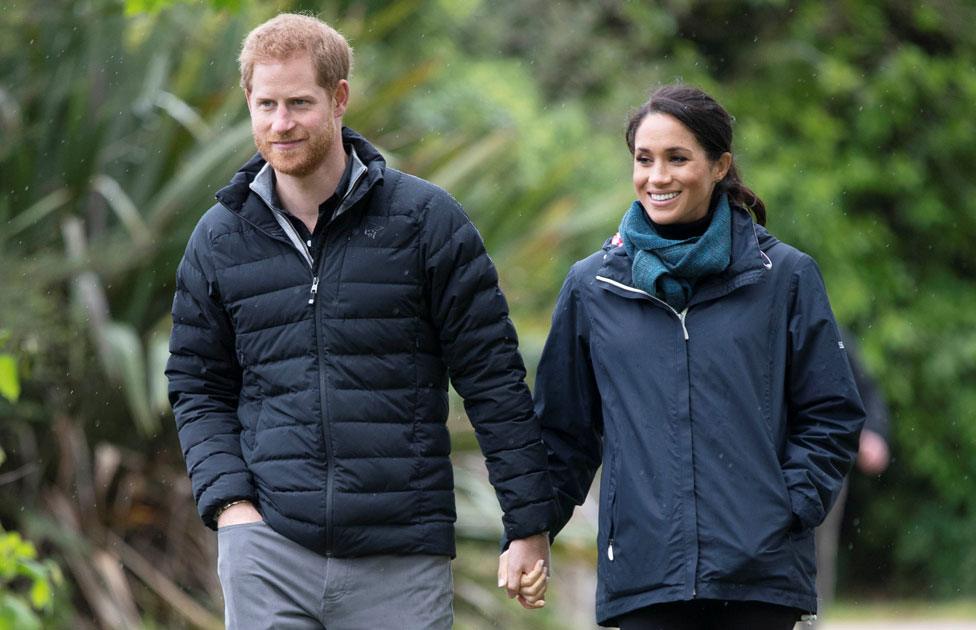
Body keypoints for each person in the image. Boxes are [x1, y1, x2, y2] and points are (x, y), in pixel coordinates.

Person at [165, 13, 551, 629]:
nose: (280, 124)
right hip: (268, 547)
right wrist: (232, 506)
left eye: (299, 103)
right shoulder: (220, 239)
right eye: (265, 104)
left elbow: (493, 380)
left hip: (401, 554)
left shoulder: (425, 222)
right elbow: (196, 385)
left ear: (340, 97)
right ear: (248, 100)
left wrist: (529, 525)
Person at [509, 85, 867, 628]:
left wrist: (786, 508)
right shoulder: (593, 287)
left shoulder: (786, 278)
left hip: (760, 579)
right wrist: (530, 531)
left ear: (720, 165)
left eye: (678, 158)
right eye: (644, 159)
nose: (658, 177)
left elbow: (832, 413)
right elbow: (563, 435)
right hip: (644, 579)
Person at [814, 330, 892, 624]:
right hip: (766, 466)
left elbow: (867, 392)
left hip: (826, 461)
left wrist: (874, 434)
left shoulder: (833, 336)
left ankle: (812, 620)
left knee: (819, 550)